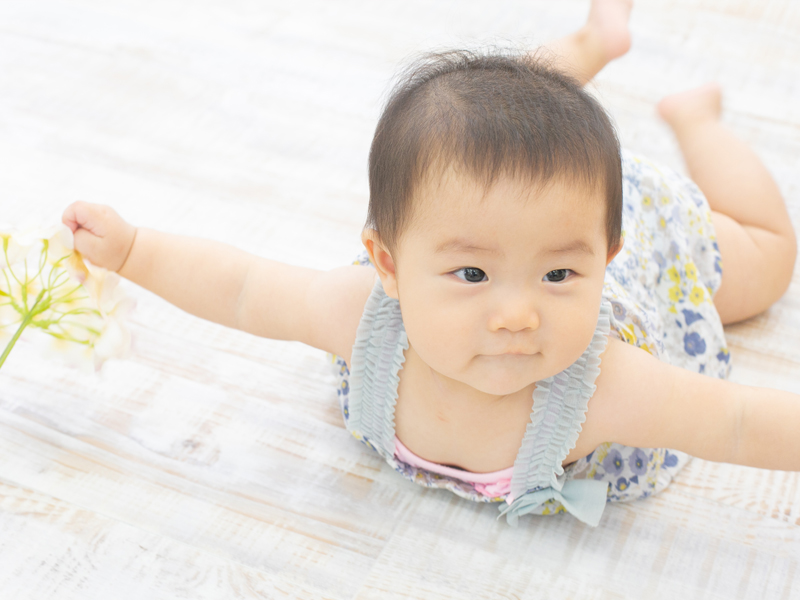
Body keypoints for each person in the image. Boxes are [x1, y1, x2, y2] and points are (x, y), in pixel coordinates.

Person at [62, 0, 798, 527]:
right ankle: (590, 40)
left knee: (766, 263)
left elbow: (737, 424)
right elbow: (247, 288)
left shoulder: (610, 384)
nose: (518, 313)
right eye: (472, 276)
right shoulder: (362, 315)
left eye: (562, 277)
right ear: (387, 263)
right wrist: (133, 251)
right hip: (519, 206)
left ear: (606, 261)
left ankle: (694, 118)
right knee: (483, 132)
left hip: (620, 208)